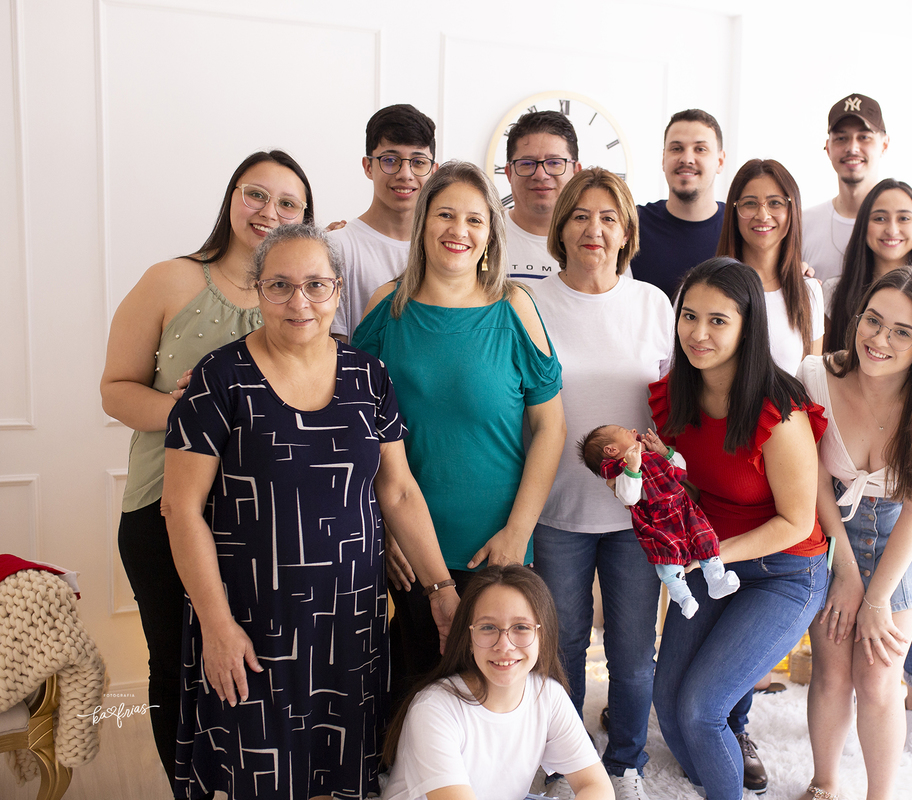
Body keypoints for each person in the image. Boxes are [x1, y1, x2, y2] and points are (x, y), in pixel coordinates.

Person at [162, 224, 459, 799]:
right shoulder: (218, 379)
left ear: (338, 290)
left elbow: (396, 491)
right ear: (258, 290)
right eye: (280, 285)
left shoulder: (367, 377)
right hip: (252, 619)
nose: (300, 302)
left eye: (316, 285)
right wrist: (217, 626)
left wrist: (440, 587)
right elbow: (181, 509)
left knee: (337, 769)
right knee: (261, 775)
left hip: (348, 620)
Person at [98, 150, 313, 781]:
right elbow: (115, 389)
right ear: (230, 199)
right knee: (177, 663)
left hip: (269, 524)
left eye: (287, 203)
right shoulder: (171, 280)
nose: (268, 212)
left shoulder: (308, 297)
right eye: (255, 195)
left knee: (257, 663)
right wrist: (193, 410)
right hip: (164, 509)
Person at [353, 161, 566, 697]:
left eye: (475, 219)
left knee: (497, 692)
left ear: (492, 232)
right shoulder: (387, 307)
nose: (459, 230)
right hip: (410, 549)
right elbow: (354, 435)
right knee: (418, 693)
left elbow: (550, 426)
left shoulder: (515, 307)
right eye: (445, 214)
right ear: (423, 223)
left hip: (496, 546)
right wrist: (382, 532)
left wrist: (518, 532)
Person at [650, 257, 829, 800]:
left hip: (784, 570)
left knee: (702, 710)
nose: (698, 334)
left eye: (718, 321)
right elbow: (700, 490)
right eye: (689, 316)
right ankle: (714, 778)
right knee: (669, 701)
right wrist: (659, 476)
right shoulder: (672, 396)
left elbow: (797, 521)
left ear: (748, 325)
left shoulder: (780, 410)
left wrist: (711, 554)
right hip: (715, 562)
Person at [523, 167, 673, 800]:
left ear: (626, 232)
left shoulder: (653, 304)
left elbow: (674, 403)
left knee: (634, 653)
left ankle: (625, 762)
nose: (595, 228)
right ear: (562, 228)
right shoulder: (528, 302)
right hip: (556, 507)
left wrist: (668, 454)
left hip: (636, 514)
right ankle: (566, 768)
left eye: (609, 217)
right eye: (581, 215)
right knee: (563, 648)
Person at [797, 267, 912, 800]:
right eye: (873, 320)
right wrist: (845, 570)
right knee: (831, 667)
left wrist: (877, 599)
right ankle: (823, 782)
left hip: (906, 531)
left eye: (901, 331)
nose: (878, 339)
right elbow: (814, 479)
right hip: (832, 524)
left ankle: (880, 794)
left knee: (876, 673)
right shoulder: (814, 376)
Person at [379, 565, 612, 800]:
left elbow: (596, 786)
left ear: (543, 635)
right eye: (488, 627)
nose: (504, 645)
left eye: (521, 627)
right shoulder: (434, 709)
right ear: (469, 639)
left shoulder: (548, 694)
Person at [579, 425, 739, 618]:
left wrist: (663, 452)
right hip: (657, 518)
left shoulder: (653, 457)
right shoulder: (623, 471)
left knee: (704, 538)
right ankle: (684, 597)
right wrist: (632, 467)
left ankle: (716, 580)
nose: (632, 430)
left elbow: (680, 471)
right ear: (612, 450)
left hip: (682, 507)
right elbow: (629, 497)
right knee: (667, 556)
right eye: (625, 431)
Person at [801, 94, 912, 304]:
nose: (852, 148)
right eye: (841, 138)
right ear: (828, 148)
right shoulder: (804, 223)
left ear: (884, 144)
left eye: (864, 137)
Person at [330, 103, 438, 342]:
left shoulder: (445, 249)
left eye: (418, 162)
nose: (405, 174)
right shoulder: (336, 247)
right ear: (369, 166)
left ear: (433, 171)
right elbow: (332, 351)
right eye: (390, 160)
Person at [825, 178, 912, 353]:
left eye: (904, 218)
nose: (892, 230)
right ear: (863, 225)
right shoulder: (833, 291)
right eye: (880, 218)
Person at [717, 158, 824, 369]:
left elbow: (811, 383)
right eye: (750, 203)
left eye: (775, 203)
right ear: (734, 211)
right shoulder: (706, 287)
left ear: (792, 210)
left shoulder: (809, 291)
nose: (763, 215)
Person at [627, 109, 726, 298]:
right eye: (676, 148)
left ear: (720, 161)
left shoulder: (741, 226)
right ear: (664, 159)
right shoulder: (632, 223)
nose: (686, 159)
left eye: (700, 149)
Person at [502, 110, 583, 282]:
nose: (540, 175)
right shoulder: (483, 234)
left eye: (554, 162)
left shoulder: (595, 240)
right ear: (509, 173)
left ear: (576, 172)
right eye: (526, 163)